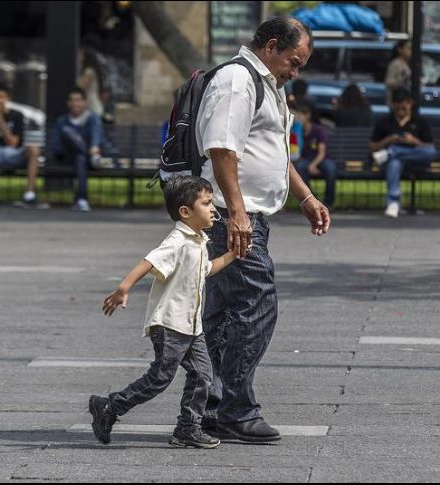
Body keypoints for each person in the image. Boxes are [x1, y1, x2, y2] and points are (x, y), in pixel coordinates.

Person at [196, 17, 330, 443]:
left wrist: (305, 197)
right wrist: (237, 213)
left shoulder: (267, 82)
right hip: (231, 216)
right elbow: (222, 148)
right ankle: (235, 409)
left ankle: (211, 405)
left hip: (246, 215)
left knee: (223, 315)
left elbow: (272, 152)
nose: (297, 71)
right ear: (271, 45)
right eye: (295, 61)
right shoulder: (238, 80)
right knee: (257, 302)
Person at [90, 176, 237, 449]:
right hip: (170, 324)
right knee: (159, 378)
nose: (214, 209)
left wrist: (232, 255)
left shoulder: (198, 242)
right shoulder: (178, 241)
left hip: (191, 327)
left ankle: (187, 428)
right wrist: (124, 287)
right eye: (207, 203)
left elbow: (206, 271)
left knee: (203, 376)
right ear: (185, 212)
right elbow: (150, 261)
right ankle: (110, 406)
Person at [369, 87, 437, 218]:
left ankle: (393, 152)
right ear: (393, 105)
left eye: (404, 106)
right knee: (394, 163)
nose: (401, 110)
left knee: (430, 152)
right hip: (390, 163)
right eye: (397, 106)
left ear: (410, 103)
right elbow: (372, 147)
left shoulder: (420, 121)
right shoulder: (384, 122)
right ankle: (393, 202)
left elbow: (429, 147)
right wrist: (388, 140)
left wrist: (415, 142)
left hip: (415, 160)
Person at [51, 87, 105, 212]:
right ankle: (91, 156)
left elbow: (96, 134)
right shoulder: (62, 121)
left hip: (83, 160)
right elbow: (57, 146)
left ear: (84, 102)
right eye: (72, 100)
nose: (75, 103)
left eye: (79, 100)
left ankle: (82, 200)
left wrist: (94, 147)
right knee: (67, 131)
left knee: (80, 158)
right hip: (68, 157)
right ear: (68, 103)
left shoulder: (92, 118)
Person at [292, 103, 338, 207]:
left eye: (299, 116)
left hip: (321, 159)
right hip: (306, 159)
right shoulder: (297, 130)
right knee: (299, 168)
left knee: (331, 169)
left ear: (307, 115)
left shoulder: (318, 130)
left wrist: (313, 165)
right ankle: (311, 199)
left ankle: (329, 202)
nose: (297, 119)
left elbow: (322, 152)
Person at [77, 47, 105, 118]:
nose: (79, 57)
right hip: (91, 103)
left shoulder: (89, 71)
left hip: (92, 104)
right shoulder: (90, 70)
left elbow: (81, 85)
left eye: (81, 55)